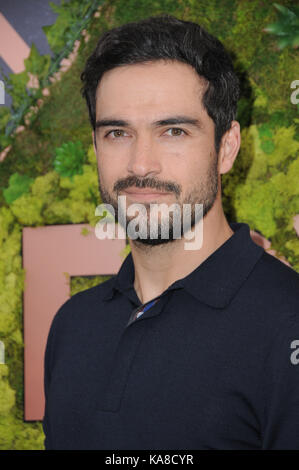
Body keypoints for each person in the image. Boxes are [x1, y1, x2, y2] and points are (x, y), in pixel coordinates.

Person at [42, 14, 299, 450]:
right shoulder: (73, 325)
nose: (141, 164)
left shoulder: (288, 320)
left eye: (173, 130)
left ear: (226, 148)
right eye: (118, 132)